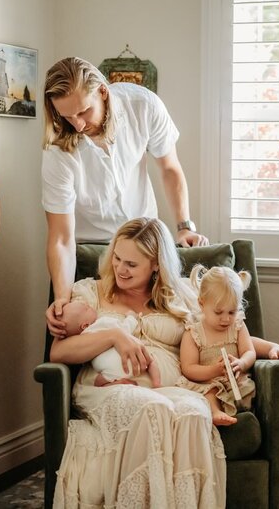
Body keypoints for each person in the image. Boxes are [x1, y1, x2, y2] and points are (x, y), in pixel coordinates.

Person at [49, 217, 225, 508]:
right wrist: (114, 335)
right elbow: (59, 353)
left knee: (194, 413)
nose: (120, 268)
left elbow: (218, 334)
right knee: (152, 408)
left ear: (156, 264)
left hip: (172, 387)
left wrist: (260, 349)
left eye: (131, 264)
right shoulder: (90, 293)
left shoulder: (182, 295)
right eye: (117, 258)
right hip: (109, 388)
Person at [41, 57, 208, 338]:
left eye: (83, 112)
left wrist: (183, 226)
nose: (78, 125)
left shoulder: (143, 105)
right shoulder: (57, 150)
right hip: (92, 253)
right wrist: (63, 298)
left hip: (145, 243)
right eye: (67, 116)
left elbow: (169, 168)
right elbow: (60, 237)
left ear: (103, 92)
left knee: (162, 334)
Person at [177, 265, 256, 426]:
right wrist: (214, 370)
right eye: (219, 313)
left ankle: (242, 410)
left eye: (231, 312)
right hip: (208, 381)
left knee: (248, 388)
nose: (226, 319)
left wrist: (241, 363)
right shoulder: (194, 333)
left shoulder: (238, 326)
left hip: (235, 380)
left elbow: (249, 351)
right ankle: (215, 412)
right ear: (201, 304)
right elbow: (188, 368)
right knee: (209, 392)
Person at [58, 295, 161, 388]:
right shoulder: (103, 322)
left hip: (108, 371)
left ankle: (115, 383)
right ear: (85, 325)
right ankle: (157, 383)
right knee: (151, 361)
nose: (88, 306)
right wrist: (131, 317)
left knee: (97, 382)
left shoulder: (83, 340)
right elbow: (124, 329)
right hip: (133, 360)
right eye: (86, 309)